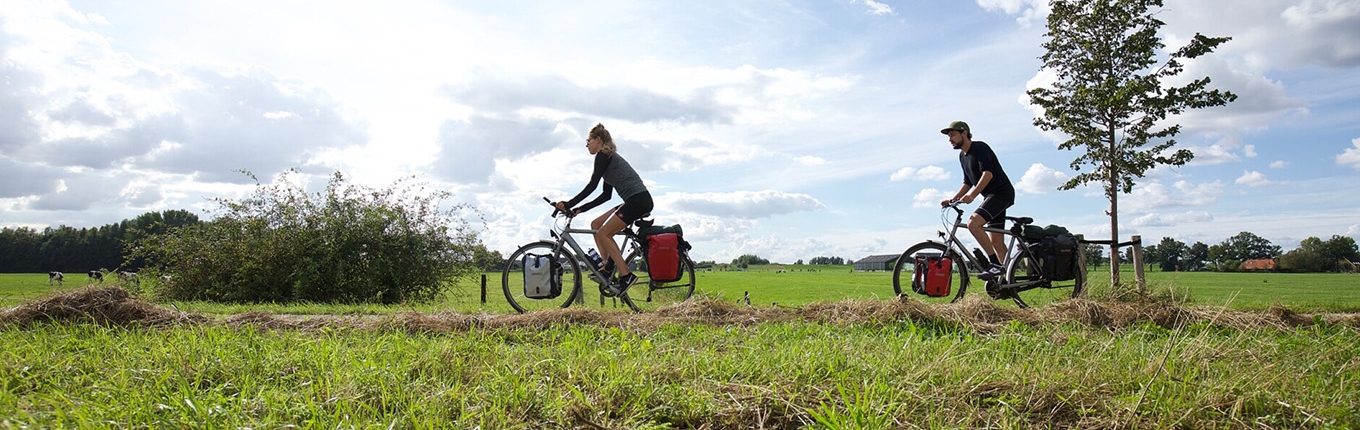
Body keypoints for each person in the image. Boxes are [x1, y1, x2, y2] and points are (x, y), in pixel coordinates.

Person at [554, 123, 654, 296]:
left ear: (598, 140)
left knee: (603, 234)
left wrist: (569, 203)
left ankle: (626, 275)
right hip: (634, 200)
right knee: (596, 224)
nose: (586, 145)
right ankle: (608, 267)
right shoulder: (608, 158)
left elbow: (592, 185)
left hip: (638, 200)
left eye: (588, 141)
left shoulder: (603, 156)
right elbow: (605, 195)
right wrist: (579, 209)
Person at [938, 120, 1015, 283]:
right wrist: (953, 199)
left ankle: (994, 264)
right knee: (997, 242)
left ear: (964, 133)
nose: (949, 139)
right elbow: (967, 182)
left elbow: (988, 174)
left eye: (952, 135)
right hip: (991, 196)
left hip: (1001, 193)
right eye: (948, 136)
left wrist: (972, 196)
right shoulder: (962, 156)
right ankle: (1007, 281)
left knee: (974, 223)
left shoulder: (979, 148)